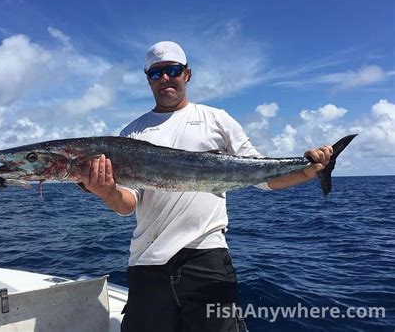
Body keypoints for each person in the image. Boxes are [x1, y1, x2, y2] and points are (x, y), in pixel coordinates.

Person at [78, 41, 333, 332]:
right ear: (147, 78)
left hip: (206, 255)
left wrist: (308, 171)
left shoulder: (217, 120)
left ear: (187, 74)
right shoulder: (132, 134)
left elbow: (261, 175)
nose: (165, 79)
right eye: (155, 74)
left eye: (172, 70)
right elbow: (128, 204)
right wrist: (106, 191)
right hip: (147, 261)